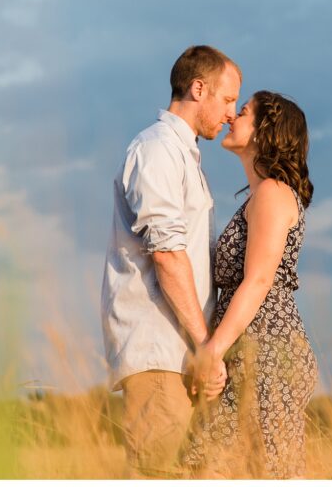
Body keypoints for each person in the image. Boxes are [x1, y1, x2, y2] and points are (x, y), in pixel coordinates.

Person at [100, 45, 242, 478]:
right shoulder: (158, 149)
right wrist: (205, 346)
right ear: (199, 89)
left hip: (179, 355)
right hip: (162, 351)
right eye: (228, 99)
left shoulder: (182, 153)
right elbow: (165, 254)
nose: (232, 113)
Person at [182, 90, 319, 479]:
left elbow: (259, 281)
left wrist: (213, 349)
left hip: (265, 352)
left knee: (258, 469)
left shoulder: (273, 194)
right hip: (250, 350)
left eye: (242, 112)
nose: (230, 117)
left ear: (263, 132)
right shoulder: (261, 195)